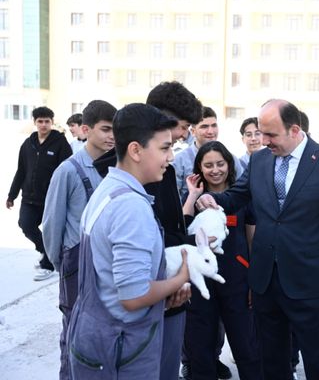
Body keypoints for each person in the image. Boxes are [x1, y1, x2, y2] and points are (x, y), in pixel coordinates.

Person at [197, 99, 319, 380]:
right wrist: (211, 199)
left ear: (294, 130)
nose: (264, 141)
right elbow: (236, 196)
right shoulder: (259, 160)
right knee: (272, 360)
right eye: (261, 133)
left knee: (317, 360)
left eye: (270, 135)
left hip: (308, 282)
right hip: (265, 281)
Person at [67, 103, 191, 379]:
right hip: (121, 349)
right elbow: (133, 297)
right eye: (164, 148)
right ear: (135, 150)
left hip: (98, 338)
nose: (170, 157)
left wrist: (162, 299)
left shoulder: (108, 189)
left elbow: (111, 281)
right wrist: (179, 278)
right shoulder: (130, 207)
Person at [93, 81, 202, 380]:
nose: (183, 137)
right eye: (182, 127)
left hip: (157, 299)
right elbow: (132, 291)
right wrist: (178, 277)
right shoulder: (131, 193)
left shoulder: (132, 177)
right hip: (144, 310)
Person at [42, 100, 116, 380]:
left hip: (108, 264)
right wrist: (62, 265)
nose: (112, 136)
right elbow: (52, 224)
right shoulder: (68, 170)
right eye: (105, 129)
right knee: (75, 334)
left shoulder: (117, 168)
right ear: (86, 130)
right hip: (76, 266)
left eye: (115, 130)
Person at [182, 141, 262, 380]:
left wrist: (254, 280)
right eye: (208, 165)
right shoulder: (193, 198)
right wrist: (193, 196)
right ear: (200, 168)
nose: (215, 170)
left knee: (246, 346)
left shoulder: (243, 197)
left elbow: (253, 240)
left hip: (237, 280)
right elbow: (182, 234)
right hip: (201, 285)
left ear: (229, 164)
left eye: (220, 164)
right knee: (200, 348)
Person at [7, 106, 72, 281]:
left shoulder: (60, 143)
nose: (43, 125)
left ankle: (48, 265)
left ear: (52, 122)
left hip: (51, 198)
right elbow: (21, 170)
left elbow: (68, 170)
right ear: (35, 123)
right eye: (40, 121)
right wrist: (12, 195)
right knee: (25, 225)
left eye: (47, 121)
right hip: (29, 197)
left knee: (50, 232)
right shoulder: (27, 144)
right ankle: (46, 253)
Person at [173, 106, 244, 201]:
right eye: (204, 126)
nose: (211, 131)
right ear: (193, 131)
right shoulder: (179, 160)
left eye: (214, 125)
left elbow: (241, 191)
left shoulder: (232, 158)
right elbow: (174, 198)